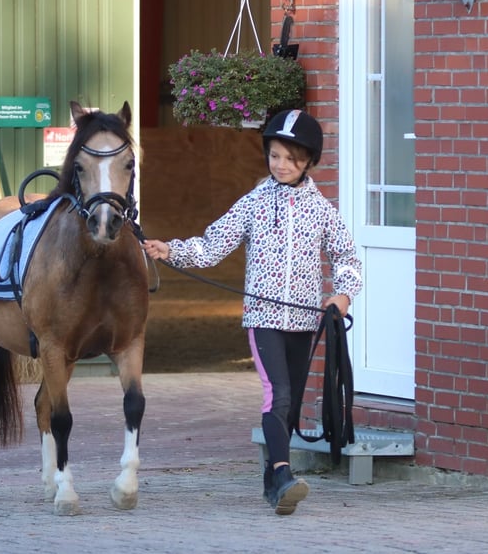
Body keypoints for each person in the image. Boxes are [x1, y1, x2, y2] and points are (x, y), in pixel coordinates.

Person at [142, 109, 363, 516]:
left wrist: (343, 295)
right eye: (275, 155)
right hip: (262, 318)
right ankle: (282, 474)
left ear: (309, 162)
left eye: (291, 159)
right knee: (276, 394)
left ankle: (271, 483)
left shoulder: (322, 210)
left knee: (291, 402)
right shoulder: (254, 203)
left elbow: (348, 257)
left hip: (302, 319)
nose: (281, 165)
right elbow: (213, 244)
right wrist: (171, 249)